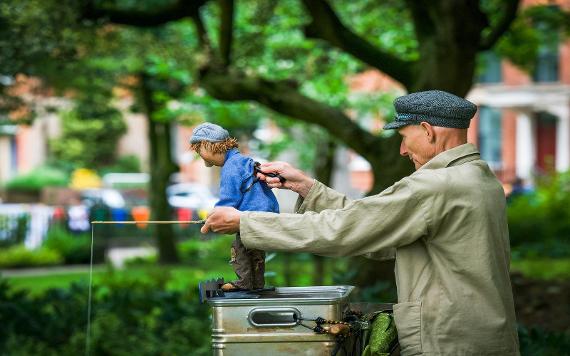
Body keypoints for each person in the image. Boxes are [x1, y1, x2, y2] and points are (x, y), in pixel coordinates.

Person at [201, 90, 520, 355]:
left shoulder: (435, 186)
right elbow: (376, 226)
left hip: (449, 342)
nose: (402, 149)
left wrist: (247, 223)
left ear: (428, 130)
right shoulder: (480, 178)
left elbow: (344, 231)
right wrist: (307, 188)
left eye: (404, 137)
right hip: (480, 337)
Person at [190, 122, 279, 292]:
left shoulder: (231, 167)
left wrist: (215, 219)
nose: (201, 157)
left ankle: (244, 282)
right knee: (255, 251)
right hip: (266, 212)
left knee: (239, 248)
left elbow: (227, 200)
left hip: (252, 215)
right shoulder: (244, 160)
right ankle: (257, 284)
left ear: (208, 146)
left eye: (199, 151)